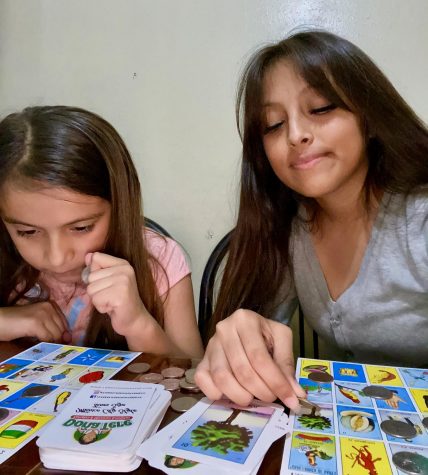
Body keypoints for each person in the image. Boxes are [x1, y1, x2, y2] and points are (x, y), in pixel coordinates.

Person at [195, 30, 428, 410]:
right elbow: (257, 328)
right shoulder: (289, 227)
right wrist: (240, 339)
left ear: (368, 117)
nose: (296, 135)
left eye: (320, 108)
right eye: (273, 125)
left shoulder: (418, 219)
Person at [0, 105, 203, 357]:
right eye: (28, 232)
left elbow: (192, 374)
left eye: (81, 228)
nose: (57, 258)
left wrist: (137, 323)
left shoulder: (161, 260)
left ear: (119, 206)